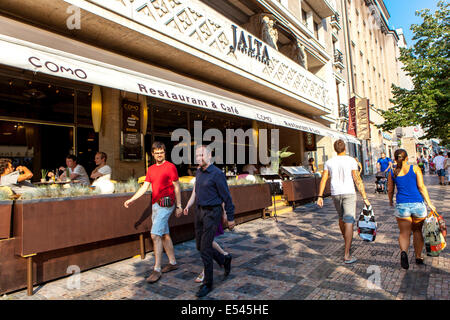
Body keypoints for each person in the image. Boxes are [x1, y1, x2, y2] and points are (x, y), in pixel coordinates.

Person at [124, 142, 182, 283]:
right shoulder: (150, 169)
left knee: (155, 235)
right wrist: (132, 199)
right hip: (156, 205)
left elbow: (177, 187)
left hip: (167, 204)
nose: (159, 154)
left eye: (161, 152)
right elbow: (145, 187)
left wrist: (179, 205)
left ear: (164, 152)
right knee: (164, 235)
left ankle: (156, 269)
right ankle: (173, 263)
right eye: (156, 152)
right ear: (153, 154)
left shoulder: (170, 167)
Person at [183, 145, 235, 298]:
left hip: (213, 212)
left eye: (201, 155)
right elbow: (196, 191)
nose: (199, 158)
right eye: (197, 155)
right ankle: (224, 259)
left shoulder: (217, 174)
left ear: (210, 155)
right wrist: (189, 205)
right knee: (200, 245)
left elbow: (227, 197)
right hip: (199, 212)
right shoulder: (199, 172)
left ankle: (208, 283)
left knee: (205, 248)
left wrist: (230, 217)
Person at [317, 139, 371, 264]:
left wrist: (320, 196)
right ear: (345, 148)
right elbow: (357, 179)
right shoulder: (351, 160)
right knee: (349, 221)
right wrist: (365, 198)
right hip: (349, 193)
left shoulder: (329, 162)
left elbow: (324, 179)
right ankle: (347, 254)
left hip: (335, 193)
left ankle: (346, 240)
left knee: (341, 218)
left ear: (335, 149)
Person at [387, 149, 436, 269]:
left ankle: (404, 252)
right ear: (407, 158)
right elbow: (421, 186)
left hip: (402, 206)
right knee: (417, 231)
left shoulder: (392, 172)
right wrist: (429, 203)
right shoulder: (415, 169)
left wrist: (390, 201)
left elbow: (390, 190)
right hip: (418, 205)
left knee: (404, 233)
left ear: (395, 159)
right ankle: (418, 257)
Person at [194, 204, 230, 283]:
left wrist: (225, 213)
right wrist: (186, 206)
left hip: (212, 214)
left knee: (206, 244)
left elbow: (223, 196)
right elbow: (194, 194)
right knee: (204, 244)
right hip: (201, 214)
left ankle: (205, 272)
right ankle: (224, 257)